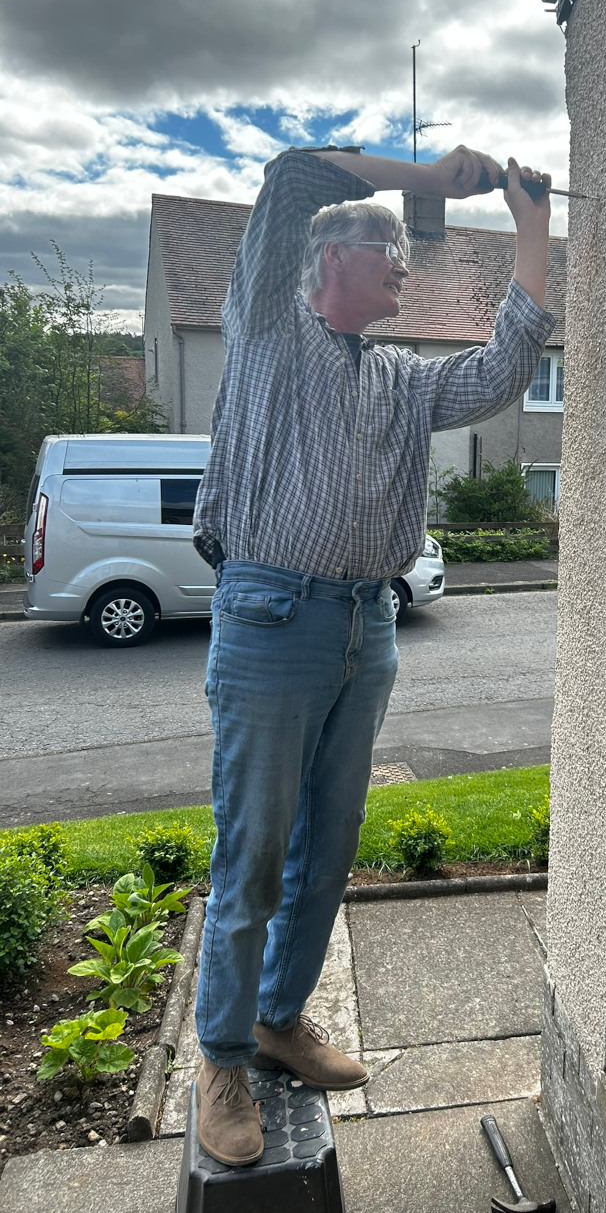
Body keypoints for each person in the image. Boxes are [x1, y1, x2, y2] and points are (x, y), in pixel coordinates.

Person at [190, 143, 554, 1164]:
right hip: (270, 617)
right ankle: (221, 1058)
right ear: (329, 263)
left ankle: (278, 1019)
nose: (403, 269)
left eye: (403, 252)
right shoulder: (266, 328)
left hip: (369, 623)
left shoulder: (400, 375)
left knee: (327, 847)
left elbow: (501, 370)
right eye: (387, 254)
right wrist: (426, 180)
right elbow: (294, 173)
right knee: (253, 850)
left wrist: (531, 226)